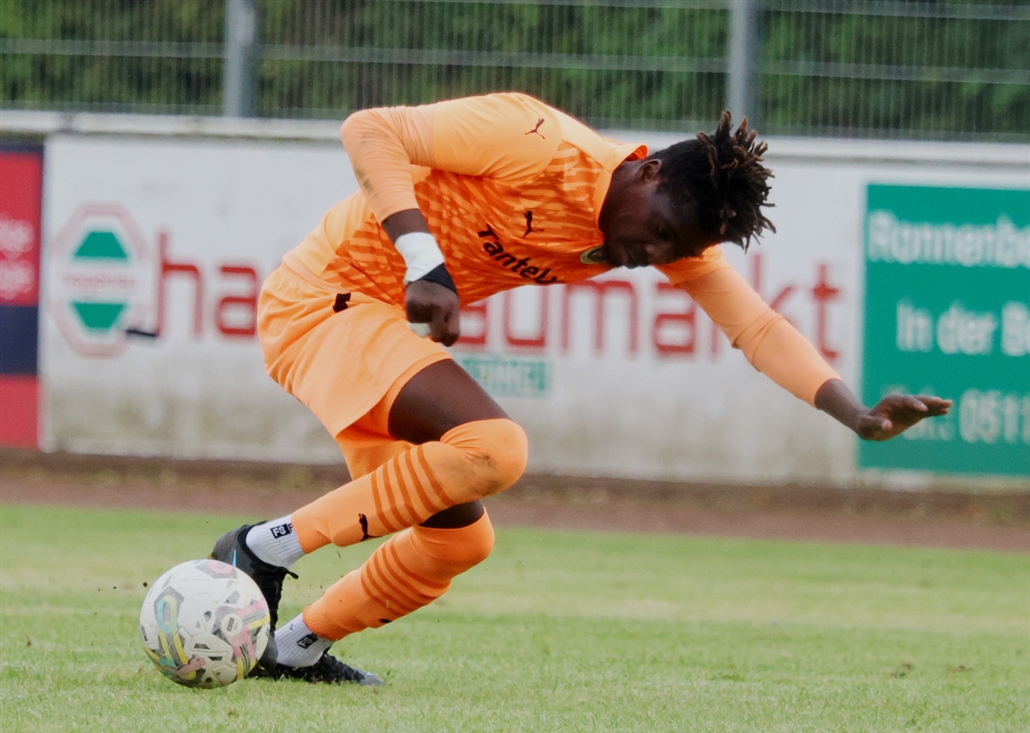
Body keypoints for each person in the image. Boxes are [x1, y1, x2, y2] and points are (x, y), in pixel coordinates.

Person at [210, 92, 951, 685]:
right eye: (661, 236)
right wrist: (423, 259)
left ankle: (296, 649)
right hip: (324, 299)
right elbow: (370, 130)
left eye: (675, 253)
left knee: (458, 540)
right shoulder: (535, 139)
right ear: (649, 173)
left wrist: (856, 415)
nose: (652, 258)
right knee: (495, 448)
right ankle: (261, 550)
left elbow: (756, 328)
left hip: (373, 330)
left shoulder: (659, 233)